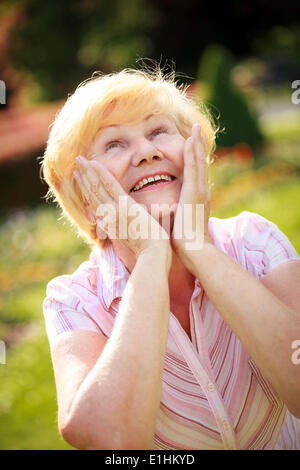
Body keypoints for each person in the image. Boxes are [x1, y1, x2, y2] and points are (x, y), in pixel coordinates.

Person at [41, 67, 300, 450]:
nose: (146, 152)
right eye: (114, 144)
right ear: (84, 196)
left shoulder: (255, 242)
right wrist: (150, 257)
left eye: (158, 131)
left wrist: (197, 248)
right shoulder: (73, 300)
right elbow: (110, 441)